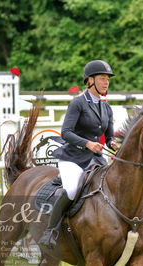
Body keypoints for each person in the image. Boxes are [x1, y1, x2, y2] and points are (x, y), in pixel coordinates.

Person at [40, 60, 120, 249]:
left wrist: (114, 143)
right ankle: (50, 230)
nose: (106, 82)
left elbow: (109, 136)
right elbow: (66, 132)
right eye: (102, 78)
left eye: (107, 79)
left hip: (95, 159)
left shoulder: (106, 107)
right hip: (73, 158)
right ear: (90, 80)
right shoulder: (78, 104)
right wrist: (88, 144)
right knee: (72, 189)